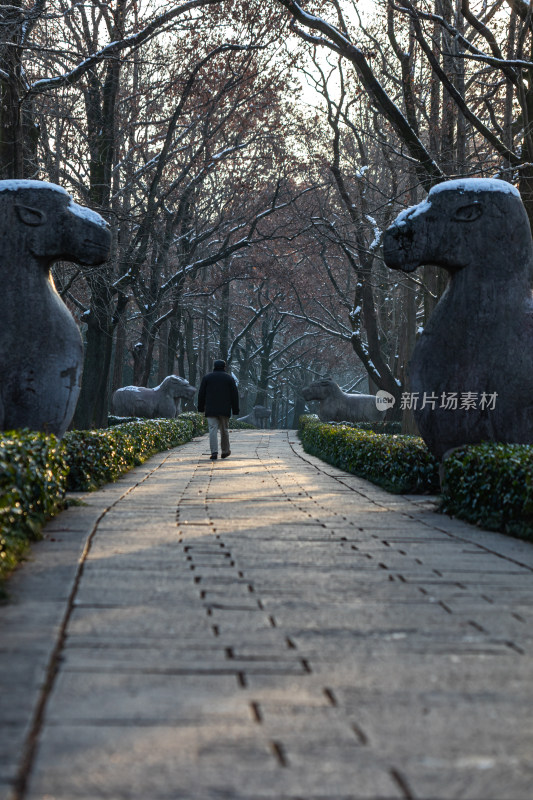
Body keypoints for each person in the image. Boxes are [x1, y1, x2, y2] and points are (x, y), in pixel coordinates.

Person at [197, 359, 240, 460]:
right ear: (224, 367)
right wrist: (235, 409)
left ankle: (214, 452)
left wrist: (200, 407)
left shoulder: (207, 378)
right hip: (224, 409)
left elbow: (201, 394)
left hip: (211, 409)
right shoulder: (229, 379)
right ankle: (225, 451)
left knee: (212, 430)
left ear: (214, 367)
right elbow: (234, 395)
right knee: (224, 430)